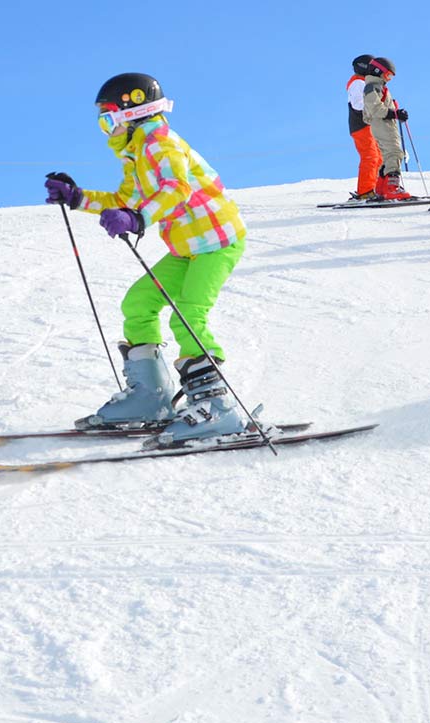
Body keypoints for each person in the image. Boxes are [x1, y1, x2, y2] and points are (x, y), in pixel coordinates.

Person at [43, 73, 258, 448]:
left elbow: (177, 188)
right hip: (187, 247)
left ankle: (216, 407)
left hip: (216, 241)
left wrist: (140, 218)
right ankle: (151, 398)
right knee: (138, 303)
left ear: (135, 111)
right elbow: (125, 201)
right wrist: (77, 198)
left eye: (108, 119)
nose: (106, 130)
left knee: (188, 315)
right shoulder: (136, 155)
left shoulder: (160, 143)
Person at [360, 58, 413, 200]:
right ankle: (392, 188)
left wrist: (395, 110)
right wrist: (394, 113)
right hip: (382, 123)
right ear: (378, 71)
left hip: (383, 123)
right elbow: (374, 108)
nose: (389, 79)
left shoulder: (378, 86)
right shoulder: (372, 87)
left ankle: (382, 188)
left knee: (388, 155)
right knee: (395, 152)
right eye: (387, 75)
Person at [345, 55, 386, 201]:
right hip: (361, 125)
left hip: (369, 124)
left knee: (379, 156)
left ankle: (374, 187)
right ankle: (365, 191)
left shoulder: (366, 82)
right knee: (370, 156)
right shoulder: (358, 83)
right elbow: (358, 104)